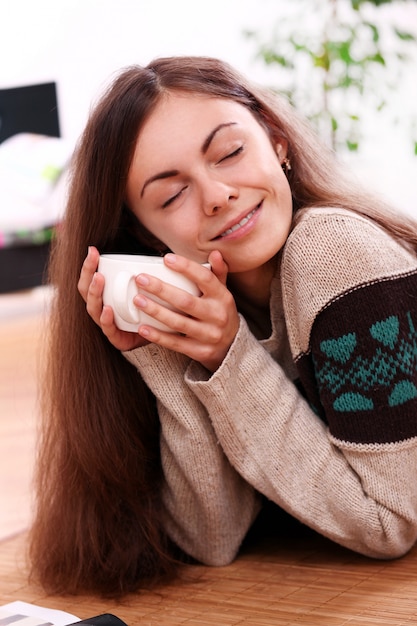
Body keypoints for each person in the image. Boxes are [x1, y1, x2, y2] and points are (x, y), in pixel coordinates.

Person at [29, 55, 417, 598]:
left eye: (230, 153)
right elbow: (214, 538)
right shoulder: (220, 305)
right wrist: (167, 351)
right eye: (171, 195)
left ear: (276, 140)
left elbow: (390, 524)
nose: (216, 195)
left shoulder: (332, 250)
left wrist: (233, 358)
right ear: (146, 237)